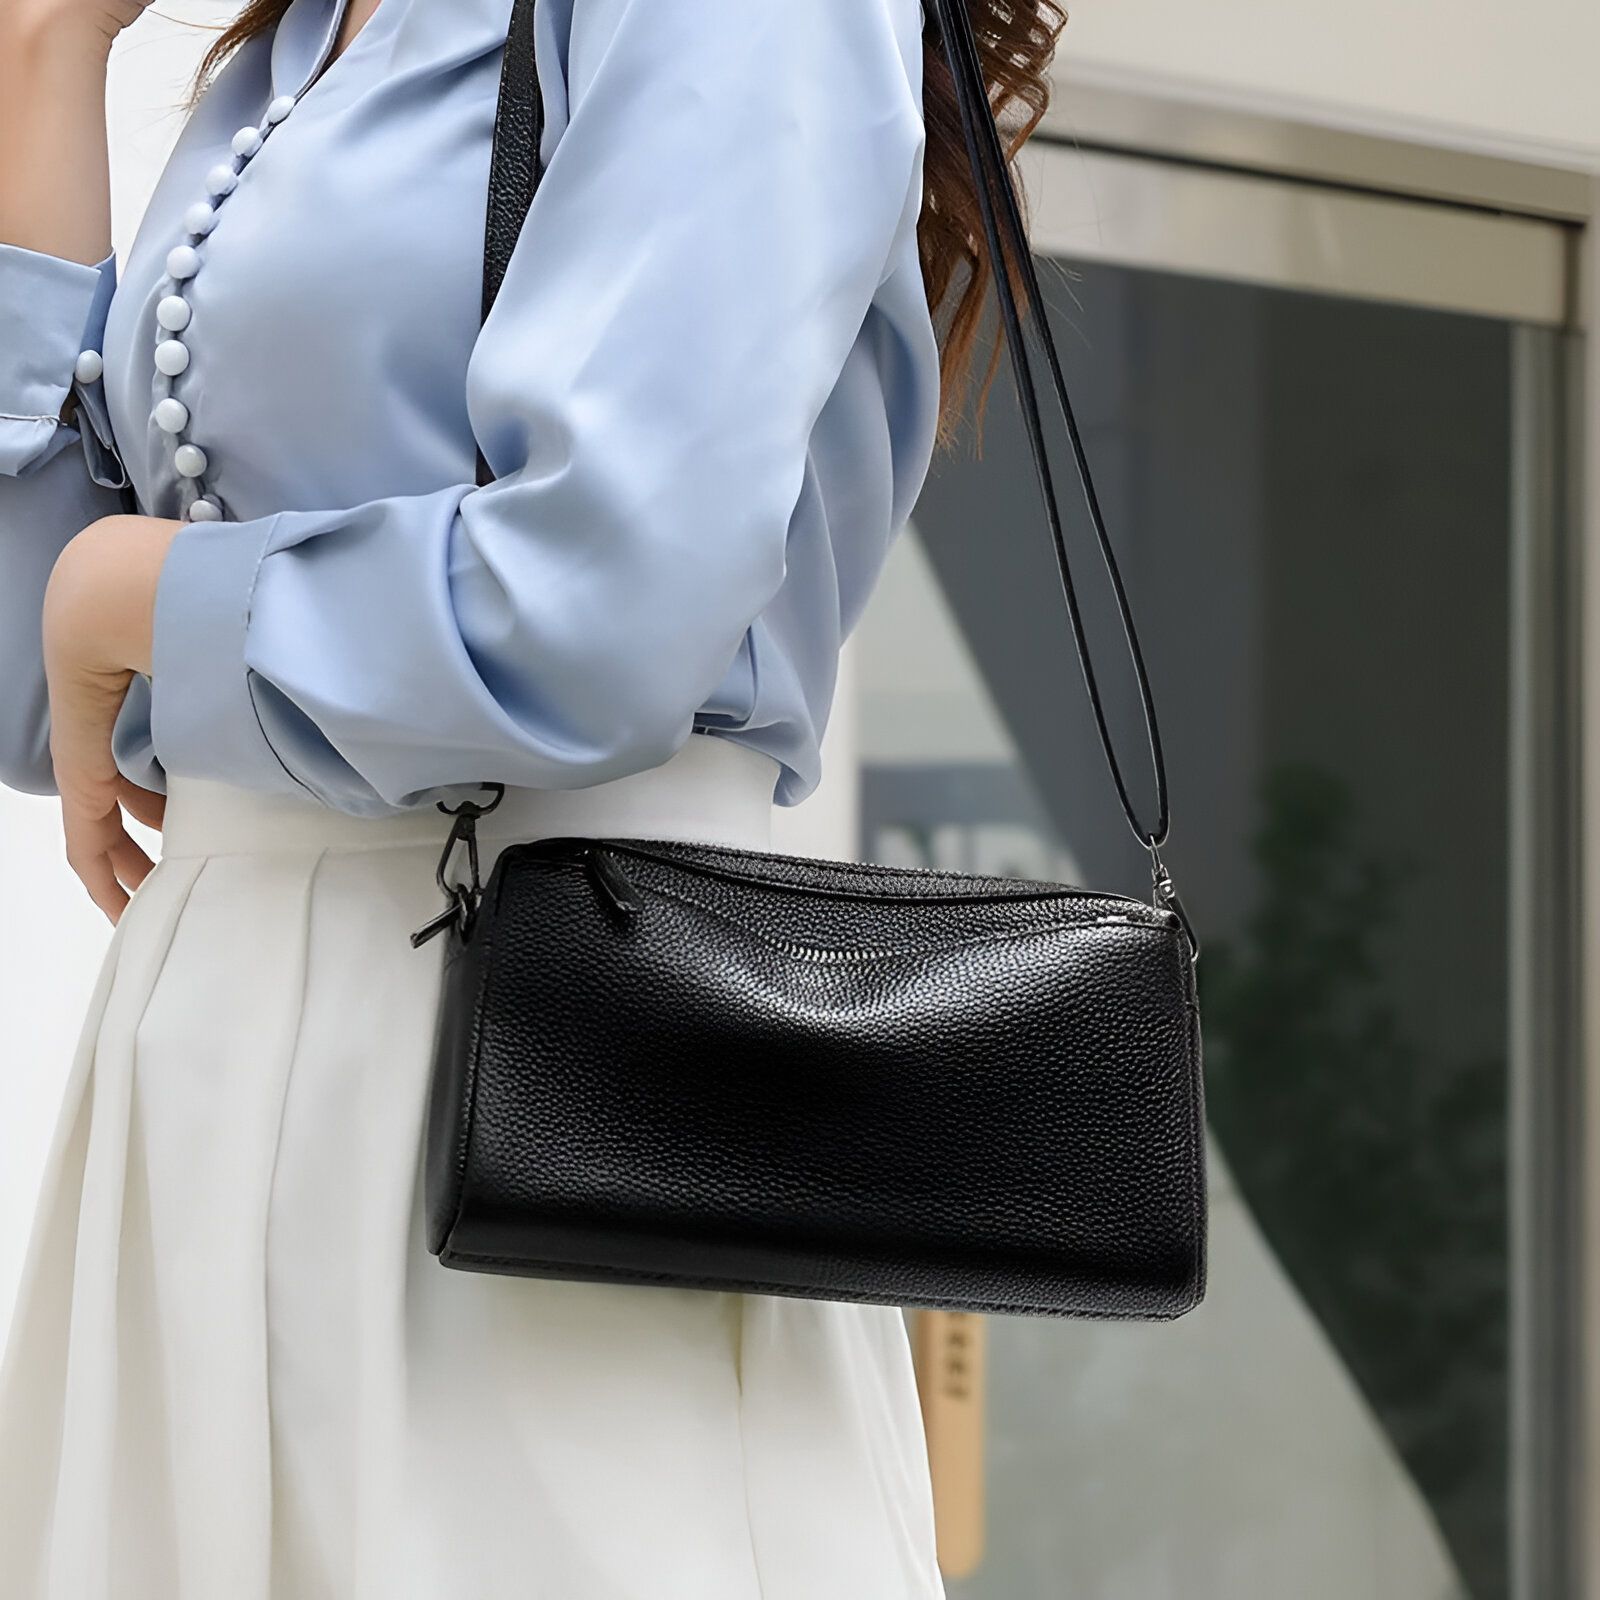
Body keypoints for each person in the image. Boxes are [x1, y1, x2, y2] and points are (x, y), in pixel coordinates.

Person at [0, 0, 1065, 1592]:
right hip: (206, 1073)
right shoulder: (306, 45)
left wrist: (148, 595)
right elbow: (36, 671)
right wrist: (42, 57)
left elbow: (600, 610)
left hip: (564, 1060)